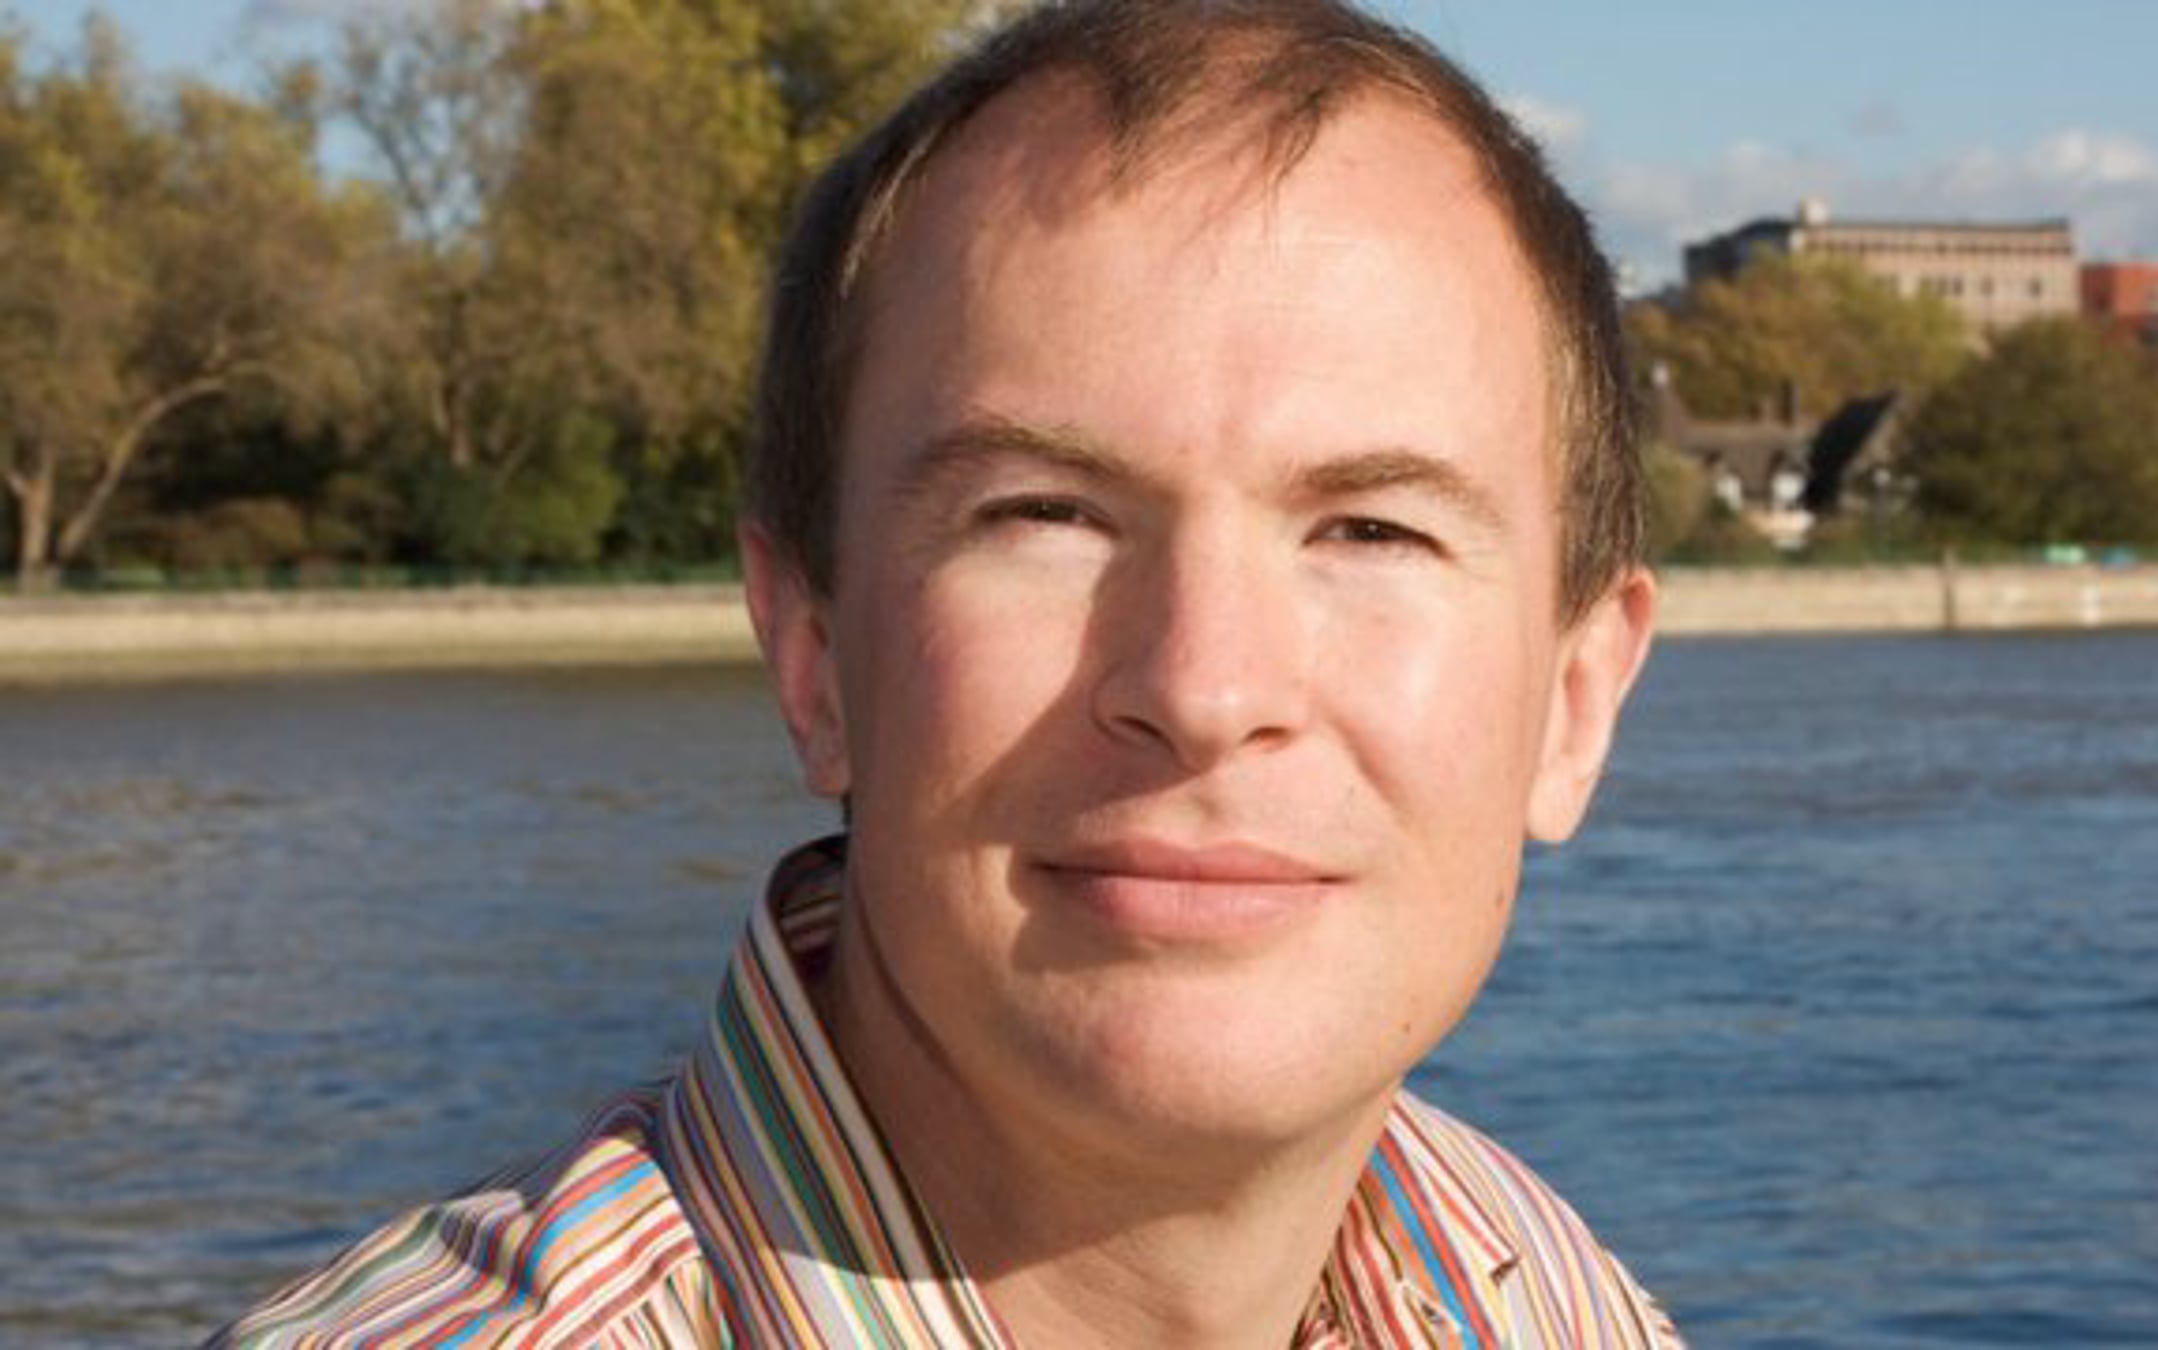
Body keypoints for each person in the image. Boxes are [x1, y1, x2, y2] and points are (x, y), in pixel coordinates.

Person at [218, 1, 1673, 1344]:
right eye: (1044, 515)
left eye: (1371, 529)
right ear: (814, 658)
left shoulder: (1536, 1290)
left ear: (1575, 705)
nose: (1206, 688)